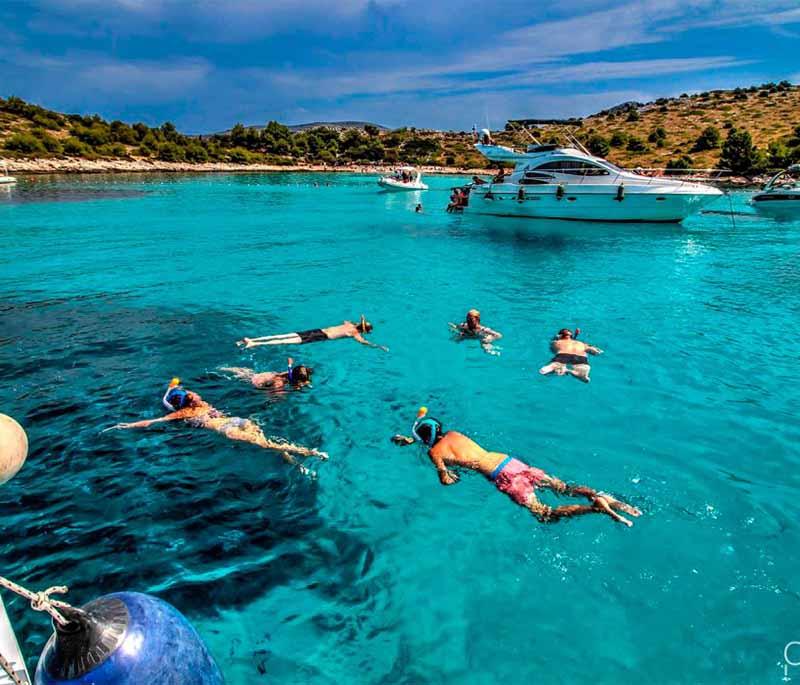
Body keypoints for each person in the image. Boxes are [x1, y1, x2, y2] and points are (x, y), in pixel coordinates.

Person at [391, 408, 640, 526]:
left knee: (544, 514)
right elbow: (437, 438)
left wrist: (444, 473)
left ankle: (594, 509)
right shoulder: (454, 433)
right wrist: (413, 438)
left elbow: (444, 474)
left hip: (503, 477)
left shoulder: (434, 452)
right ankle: (597, 494)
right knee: (563, 487)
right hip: (510, 462)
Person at [105, 378, 328, 473]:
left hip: (228, 429)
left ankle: (309, 452)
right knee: (268, 442)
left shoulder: (189, 408)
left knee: (267, 445)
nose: (194, 393)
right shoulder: (197, 405)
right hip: (236, 421)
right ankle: (298, 462)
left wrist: (125, 425)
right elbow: (152, 420)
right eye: (190, 393)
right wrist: (125, 425)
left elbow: (157, 417)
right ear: (188, 399)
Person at [237, 315, 388, 351]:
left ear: (360, 327)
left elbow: (364, 343)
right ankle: (252, 340)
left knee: (284, 340)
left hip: (320, 336)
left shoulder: (355, 334)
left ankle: (253, 343)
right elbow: (346, 321)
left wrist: (379, 346)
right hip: (316, 331)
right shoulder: (351, 326)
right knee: (283, 336)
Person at [221, 357, 313, 391]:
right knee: (246, 376)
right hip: (263, 380)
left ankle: (226, 368)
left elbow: (289, 368)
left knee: (246, 373)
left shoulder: (290, 375)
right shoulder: (284, 380)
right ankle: (225, 369)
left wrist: (289, 363)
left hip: (268, 376)